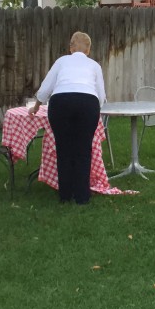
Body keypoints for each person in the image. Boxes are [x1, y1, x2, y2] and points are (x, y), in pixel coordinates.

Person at [31, 31, 106, 205]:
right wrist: (94, 110)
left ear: (71, 48)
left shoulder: (61, 61)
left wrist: (36, 107)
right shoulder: (94, 65)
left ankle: (65, 195)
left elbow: (45, 88)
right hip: (88, 102)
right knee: (83, 149)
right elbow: (101, 95)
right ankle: (82, 196)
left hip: (61, 102)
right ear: (88, 50)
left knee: (63, 148)